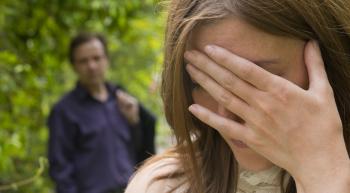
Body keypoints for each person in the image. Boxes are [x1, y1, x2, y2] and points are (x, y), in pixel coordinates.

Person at [125, 0, 350, 193]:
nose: (227, 112)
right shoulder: (161, 186)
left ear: (328, 65)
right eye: (204, 81)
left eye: (255, 80)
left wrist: (327, 177)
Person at [48, 32, 156, 193]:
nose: (91, 66)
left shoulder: (122, 100)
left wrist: (134, 123)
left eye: (96, 58)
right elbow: (60, 169)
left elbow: (138, 150)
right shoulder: (64, 111)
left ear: (106, 60)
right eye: (83, 61)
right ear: (74, 65)